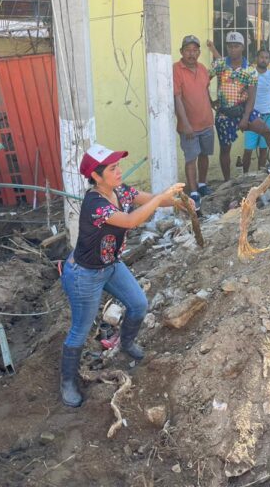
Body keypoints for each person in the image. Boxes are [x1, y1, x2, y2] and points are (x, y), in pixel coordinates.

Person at [60, 144, 189, 407]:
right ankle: (68, 381)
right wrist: (158, 199)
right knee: (80, 330)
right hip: (84, 274)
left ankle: (127, 343)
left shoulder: (121, 191)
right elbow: (131, 221)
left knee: (139, 304)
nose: (118, 172)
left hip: (110, 265)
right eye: (112, 169)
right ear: (96, 176)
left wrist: (178, 202)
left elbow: (152, 199)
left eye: (118, 166)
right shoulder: (95, 204)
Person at [206, 32, 270, 181]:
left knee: (267, 131)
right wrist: (210, 102)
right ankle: (227, 181)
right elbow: (203, 81)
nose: (233, 49)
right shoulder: (219, 65)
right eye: (230, 46)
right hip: (224, 113)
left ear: (242, 47)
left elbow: (251, 97)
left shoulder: (250, 70)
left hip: (244, 110)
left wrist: (245, 118)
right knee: (225, 149)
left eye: (236, 46)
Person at [173, 35, 214, 207]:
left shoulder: (203, 69)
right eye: (188, 50)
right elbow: (177, 98)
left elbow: (205, 91)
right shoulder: (176, 69)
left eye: (195, 50)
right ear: (181, 52)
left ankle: (202, 184)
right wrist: (186, 124)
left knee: (204, 155)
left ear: (199, 52)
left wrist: (212, 105)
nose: (192, 54)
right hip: (188, 127)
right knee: (191, 158)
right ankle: (194, 190)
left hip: (206, 122)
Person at [242, 48, 270, 173]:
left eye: (266, 58)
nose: (264, 60)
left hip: (268, 116)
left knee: (264, 149)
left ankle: (261, 175)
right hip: (252, 117)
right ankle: (245, 175)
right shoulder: (250, 73)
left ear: (269, 60)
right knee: (248, 149)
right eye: (261, 57)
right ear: (256, 59)